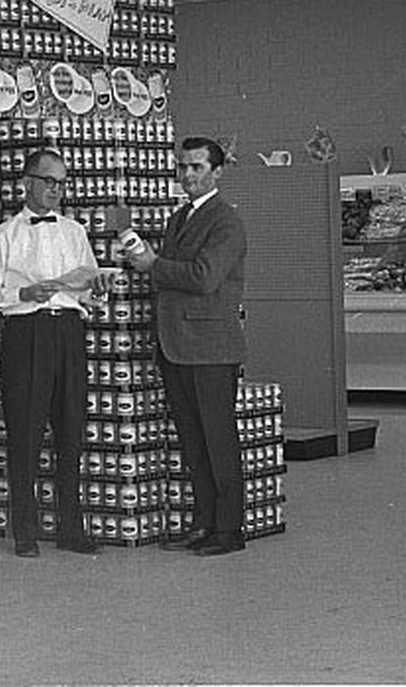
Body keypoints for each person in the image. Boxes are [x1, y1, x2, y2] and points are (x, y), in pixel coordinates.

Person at [0, 149, 111, 557]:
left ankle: (71, 528)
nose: (56, 190)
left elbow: (88, 287)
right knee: (25, 432)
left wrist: (97, 292)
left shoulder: (75, 231)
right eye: (49, 181)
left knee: (71, 430)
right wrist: (24, 293)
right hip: (26, 332)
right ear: (27, 183)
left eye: (62, 183)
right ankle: (26, 530)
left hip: (69, 332)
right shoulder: (5, 235)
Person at [123, 136, 248, 557]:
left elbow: (204, 276)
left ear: (217, 171)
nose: (187, 175)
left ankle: (229, 530)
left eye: (196, 167)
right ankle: (204, 523)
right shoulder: (179, 219)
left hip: (211, 347)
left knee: (218, 440)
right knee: (194, 443)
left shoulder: (225, 220)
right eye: (182, 167)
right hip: (177, 345)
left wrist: (154, 264)